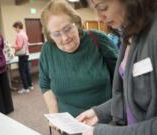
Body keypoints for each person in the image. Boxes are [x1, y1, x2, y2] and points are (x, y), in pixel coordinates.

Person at [77, 0, 157, 135]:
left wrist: (105, 132)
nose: (98, 17)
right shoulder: (131, 33)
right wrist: (99, 113)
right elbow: (134, 95)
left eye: (103, 8)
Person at [39, 0, 118, 119]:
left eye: (67, 29)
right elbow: (45, 84)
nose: (65, 38)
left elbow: (122, 76)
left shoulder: (98, 40)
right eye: (56, 34)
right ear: (49, 35)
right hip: (69, 125)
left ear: (76, 23)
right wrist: (54, 115)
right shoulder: (47, 50)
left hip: (105, 121)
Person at [12, 21, 33, 94]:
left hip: (22, 55)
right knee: (26, 71)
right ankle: (30, 85)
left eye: (15, 28)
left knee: (22, 72)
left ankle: (25, 88)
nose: (15, 29)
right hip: (26, 54)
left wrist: (13, 46)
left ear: (18, 26)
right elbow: (27, 44)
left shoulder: (19, 35)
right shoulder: (24, 34)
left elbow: (19, 46)